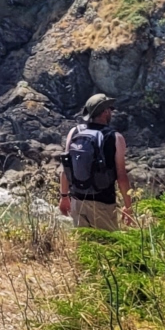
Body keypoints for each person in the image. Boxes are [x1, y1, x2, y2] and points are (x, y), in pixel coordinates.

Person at [59, 93, 133, 230]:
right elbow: (121, 176)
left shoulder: (74, 132)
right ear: (105, 112)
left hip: (77, 201)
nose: (111, 111)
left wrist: (64, 197)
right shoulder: (115, 137)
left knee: (85, 246)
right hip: (103, 203)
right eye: (110, 108)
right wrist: (128, 206)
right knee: (107, 246)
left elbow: (66, 168)